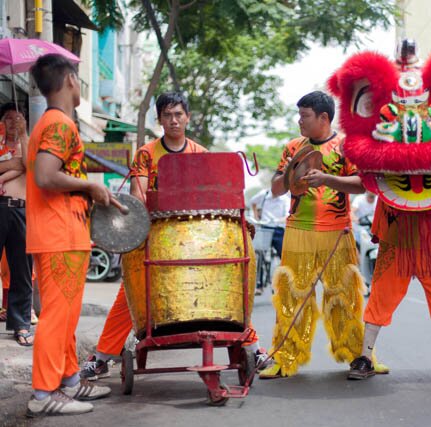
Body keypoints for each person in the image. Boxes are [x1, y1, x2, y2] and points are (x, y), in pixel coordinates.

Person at [80, 92, 270, 381]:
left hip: (199, 239)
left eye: (178, 114)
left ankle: (254, 348)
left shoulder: (201, 154)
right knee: (129, 294)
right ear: (159, 119)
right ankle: (102, 357)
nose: (173, 120)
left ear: (188, 117)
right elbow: (138, 196)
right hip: (155, 236)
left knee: (227, 285)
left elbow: (215, 198)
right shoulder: (146, 153)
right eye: (167, 115)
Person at [259, 91, 386, 379]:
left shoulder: (346, 146)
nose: (299, 121)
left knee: (344, 296)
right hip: (298, 232)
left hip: (337, 233)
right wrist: (292, 172)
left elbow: (361, 185)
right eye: (299, 115)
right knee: (291, 296)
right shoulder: (293, 147)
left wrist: (327, 179)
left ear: (323, 118)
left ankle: (360, 356)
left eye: (304, 116)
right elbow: (277, 188)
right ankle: (284, 357)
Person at [26, 53, 112, 417]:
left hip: (63, 233)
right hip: (58, 233)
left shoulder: (52, 122)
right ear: (71, 81)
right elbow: (46, 176)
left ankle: (70, 381)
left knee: (65, 317)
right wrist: (90, 188)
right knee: (56, 318)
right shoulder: (60, 124)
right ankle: (44, 395)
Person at [0, 103, 34, 346]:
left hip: (21, 208)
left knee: (22, 270)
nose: (13, 122)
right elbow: (20, 165)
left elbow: (31, 165)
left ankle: (21, 324)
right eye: (8, 118)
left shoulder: (27, 140)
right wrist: (14, 165)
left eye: (18, 118)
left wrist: (23, 135)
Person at [249, 188, 289, 258]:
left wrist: (277, 220)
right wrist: (256, 217)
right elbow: (253, 202)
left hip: (278, 229)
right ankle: (261, 265)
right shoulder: (264, 193)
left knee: (282, 253)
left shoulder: (285, 199)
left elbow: (287, 216)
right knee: (260, 252)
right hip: (265, 228)